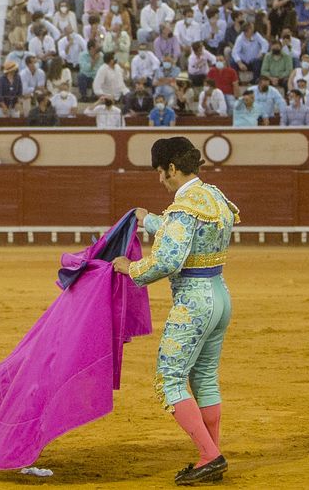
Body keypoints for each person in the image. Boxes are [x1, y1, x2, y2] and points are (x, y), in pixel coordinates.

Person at [112, 137, 237, 487]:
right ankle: (211, 453)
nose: (160, 180)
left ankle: (210, 456)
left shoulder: (183, 207)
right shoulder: (214, 197)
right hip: (220, 296)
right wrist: (146, 219)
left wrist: (130, 268)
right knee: (205, 378)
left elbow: (169, 258)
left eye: (160, 172)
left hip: (194, 303)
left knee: (170, 378)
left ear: (171, 168)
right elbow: (184, 233)